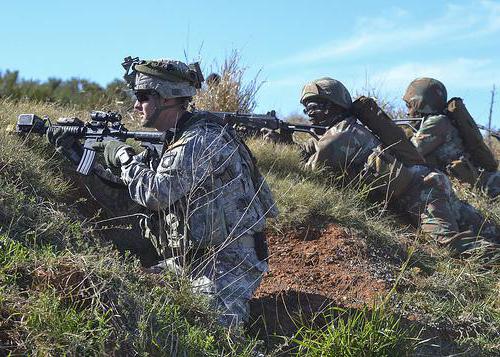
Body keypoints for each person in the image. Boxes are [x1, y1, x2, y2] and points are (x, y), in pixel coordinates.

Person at [47, 57, 278, 328]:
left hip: (228, 261)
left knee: (208, 328)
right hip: (190, 259)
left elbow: (155, 193)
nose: (136, 105)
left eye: (143, 96)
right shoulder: (174, 140)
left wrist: (121, 153)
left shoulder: (199, 140)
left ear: (168, 98)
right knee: (129, 297)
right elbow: (129, 186)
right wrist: (79, 154)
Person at [265, 77, 499, 255]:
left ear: (334, 106)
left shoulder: (340, 137)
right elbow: (313, 148)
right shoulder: (347, 128)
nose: (311, 114)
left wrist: (278, 149)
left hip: (423, 195)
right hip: (430, 183)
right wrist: (286, 142)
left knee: (449, 246)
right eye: (307, 109)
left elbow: (309, 174)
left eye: (316, 107)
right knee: (489, 231)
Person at [403, 77, 500, 198]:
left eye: (409, 106)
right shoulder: (440, 120)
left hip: (488, 187)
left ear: (421, 103)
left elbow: (409, 152)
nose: (407, 112)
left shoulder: (438, 122)